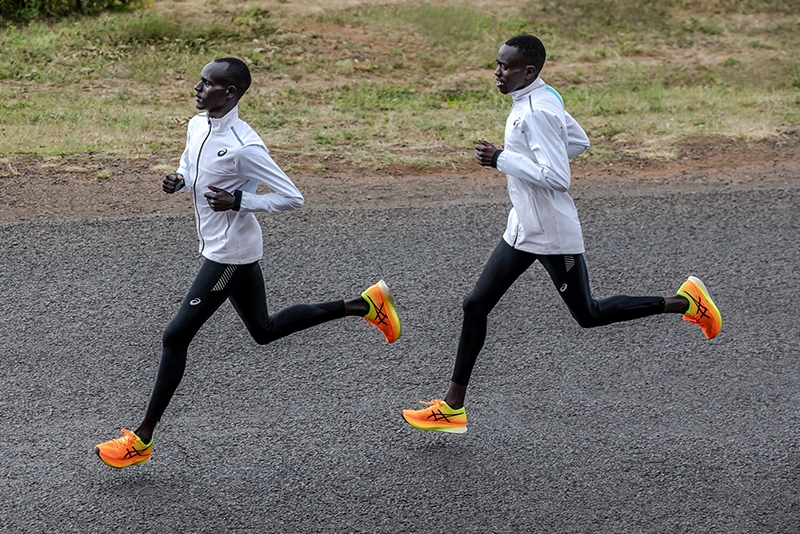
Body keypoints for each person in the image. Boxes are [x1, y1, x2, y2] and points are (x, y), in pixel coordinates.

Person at [401, 35, 721, 434]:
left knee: (589, 314)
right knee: (475, 305)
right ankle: (452, 407)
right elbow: (579, 141)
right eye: (498, 64)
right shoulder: (542, 95)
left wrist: (501, 158)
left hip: (550, 233)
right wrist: (524, 157)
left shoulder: (535, 110)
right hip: (523, 225)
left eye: (505, 67)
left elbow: (557, 178)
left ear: (528, 71)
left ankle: (685, 303)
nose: (497, 73)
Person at [95, 57, 401, 468]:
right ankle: (365, 304)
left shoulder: (245, 147)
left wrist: (241, 200)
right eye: (200, 80)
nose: (198, 88)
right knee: (264, 329)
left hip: (230, 254)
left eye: (208, 84)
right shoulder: (197, 125)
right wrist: (180, 180)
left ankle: (142, 438)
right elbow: (191, 165)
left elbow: (292, 197)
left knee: (175, 336)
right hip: (223, 247)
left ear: (231, 92)